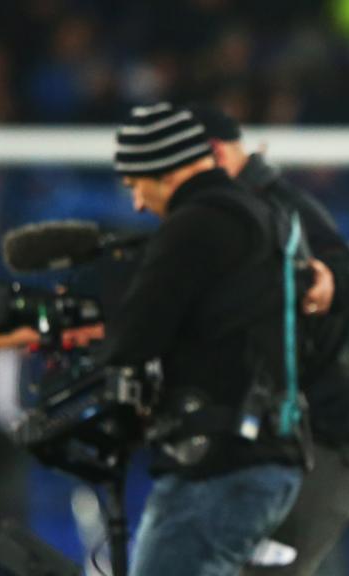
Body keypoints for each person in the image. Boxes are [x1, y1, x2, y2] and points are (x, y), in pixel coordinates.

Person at [105, 102, 307, 576]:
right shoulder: (268, 215)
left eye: (136, 185)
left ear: (165, 172)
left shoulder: (195, 225)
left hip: (218, 468)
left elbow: (133, 339)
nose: (136, 203)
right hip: (272, 456)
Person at [188, 105, 349, 576]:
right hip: (263, 445)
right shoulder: (214, 219)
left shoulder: (281, 209)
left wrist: (328, 282)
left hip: (323, 446)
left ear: (212, 154)